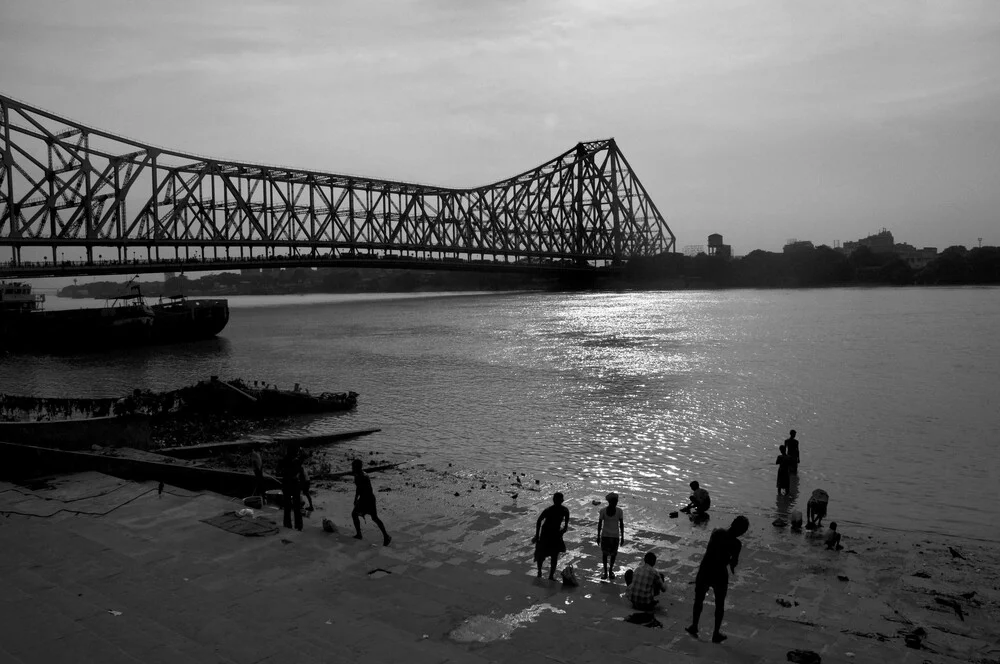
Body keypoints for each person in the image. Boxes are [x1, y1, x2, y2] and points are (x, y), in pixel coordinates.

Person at [686, 515, 750, 644]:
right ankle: (716, 633)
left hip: (706, 569)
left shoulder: (717, 532)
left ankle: (694, 626)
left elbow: (710, 550)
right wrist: (731, 566)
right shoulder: (736, 544)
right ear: (742, 532)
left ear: (732, 522)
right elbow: (733, 562)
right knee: (719, 605)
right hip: (720, 573)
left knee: (699, 599)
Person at [351, 459, 391, 546]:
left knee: (359, 515)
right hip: (367, 499)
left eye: (353, 466)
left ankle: (360, 534)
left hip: (368, 499)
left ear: (357, 467)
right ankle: (386, 536)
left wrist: (359, 501)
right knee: (373, 517)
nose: (352, 468)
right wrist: (355, 499)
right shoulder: (358, 475)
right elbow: (358, 489)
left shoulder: (362, 476)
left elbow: (365, 490)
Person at [532, 492, 570, 580]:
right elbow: (539, 521)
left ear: (561, 501)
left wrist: (562, 532)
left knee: (554, 555)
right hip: (546, 533)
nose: (556, 501)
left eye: (557, 500)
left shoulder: (564, 510)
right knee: (541, 555)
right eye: (555, 500)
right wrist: (537, 535)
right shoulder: (549, 510)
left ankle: (550, 575)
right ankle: (539, 572)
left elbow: (565, 526)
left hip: (554, 534)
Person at [597, 492, 625, 580]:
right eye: (614, 501)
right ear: (610, 501)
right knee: (607, 555)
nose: (615, 502)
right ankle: (607, 572)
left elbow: (621, 524)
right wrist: (598, 536)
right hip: (609, 536)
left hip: (611, 536)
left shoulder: (618, 511)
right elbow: (600, 524)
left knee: (611, 555)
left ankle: (608, 571)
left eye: (616, 501)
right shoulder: (604, 511)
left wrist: (623, 536)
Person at [278, 444, 305, 531]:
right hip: (295, 485)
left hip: (286, 484)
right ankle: (299, 525)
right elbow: (304, 456)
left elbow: (278, 470)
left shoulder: (284, 460)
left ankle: (287, 524)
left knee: (287, 506)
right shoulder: (297, 461)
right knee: (297, 506)